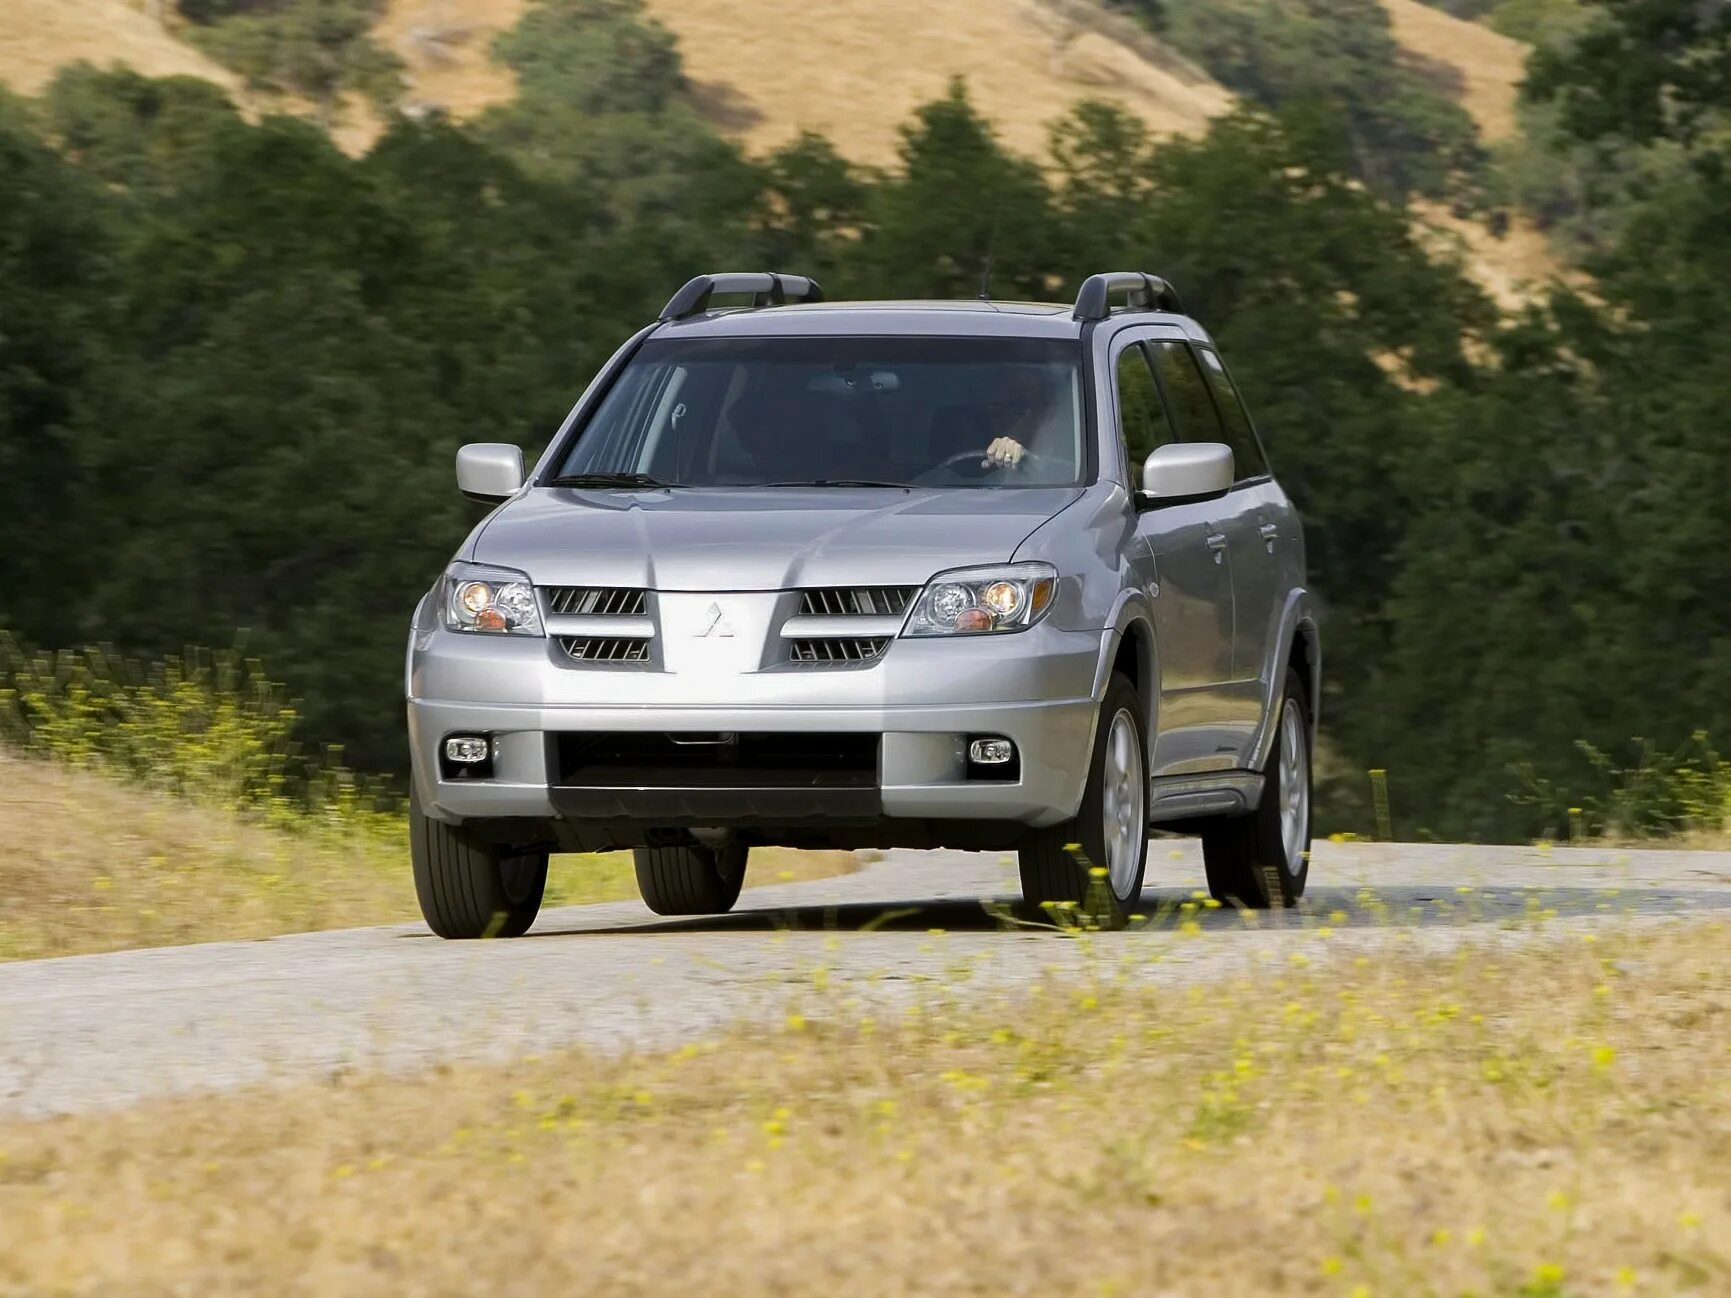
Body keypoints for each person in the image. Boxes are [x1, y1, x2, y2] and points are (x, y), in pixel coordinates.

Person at [981, 365, 1068, 471]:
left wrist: (1019, 454)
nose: (1005, 415)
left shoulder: (1069, 461)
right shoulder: (986, 477)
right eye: (996, 407)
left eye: (1017, 406)